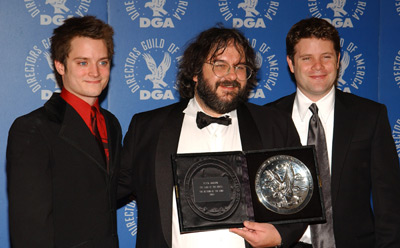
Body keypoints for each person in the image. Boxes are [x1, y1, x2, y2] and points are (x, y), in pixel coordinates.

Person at [118, 26, 306, 248]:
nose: (232, 75)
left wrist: (280, 235)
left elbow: (301, 197)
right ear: (196, 72)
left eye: (240, 67)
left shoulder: (274, 126)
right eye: (220, 65)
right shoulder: (148, 128)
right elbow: (106, 193)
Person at [267, 17, 400, 247]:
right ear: (291, 63)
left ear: (338, 60)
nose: (317, 66)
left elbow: (389, 202)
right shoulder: (268, 118)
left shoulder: (370, 116)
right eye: (306, 58)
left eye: (326, 57)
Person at [7, 16, 122, 247]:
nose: (95, 72)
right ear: (60, 65)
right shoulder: (32, 129)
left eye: (103, 62)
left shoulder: (111, 123)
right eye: (82, 62)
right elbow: (29, 229)